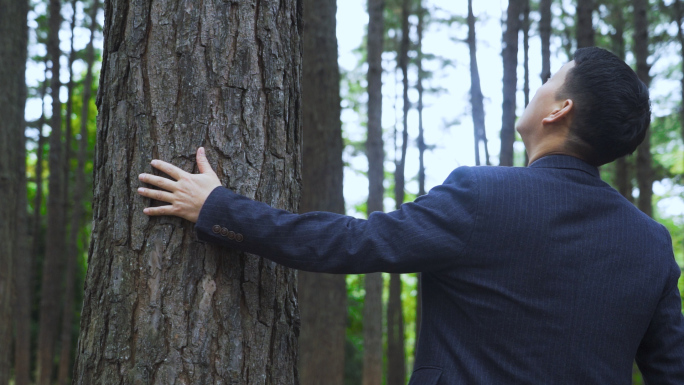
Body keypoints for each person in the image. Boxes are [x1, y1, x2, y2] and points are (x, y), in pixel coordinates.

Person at [137, 47, 684, 384]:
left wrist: (219, 208)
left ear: (559, 109)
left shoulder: (482, 196)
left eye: (550, 78)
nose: (539, 86)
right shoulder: (651, 244)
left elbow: (353, 242)